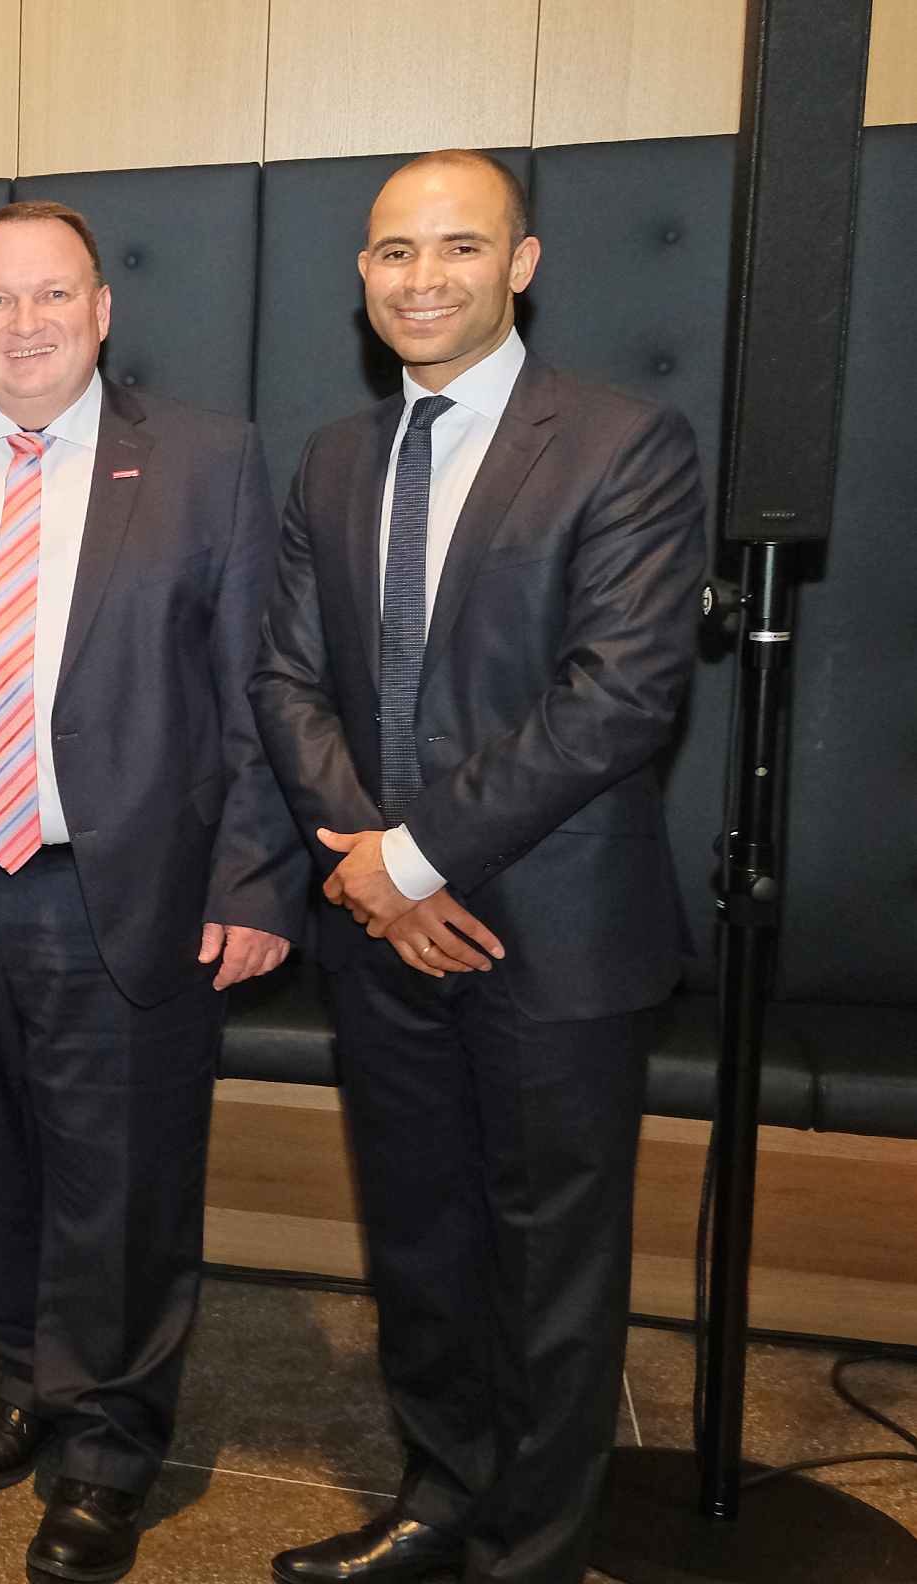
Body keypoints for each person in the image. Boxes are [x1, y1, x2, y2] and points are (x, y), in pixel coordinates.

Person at [0, 200, 303, 1582]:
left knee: (126, 1188)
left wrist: (256, 879)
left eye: (50, 297)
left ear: (102, 310)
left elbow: (256, 694)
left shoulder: (210, 460)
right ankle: (29, 1379)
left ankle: (110, 1446)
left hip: (127, 889)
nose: (21, 325)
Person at [250, 150, 704, 1584]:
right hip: (381, 936)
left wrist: (418, 853)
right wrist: (374, 872)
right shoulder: (331, 456)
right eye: (394, 252)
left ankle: (535, 1555)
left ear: (523, 264)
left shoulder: (626, 443)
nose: (422, 278)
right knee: (425, 1254)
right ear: (364, 274)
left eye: (459, 248)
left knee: (548, 1280)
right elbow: (286, 681)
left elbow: (620, 696)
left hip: (552, 941)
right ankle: (438, 1504)